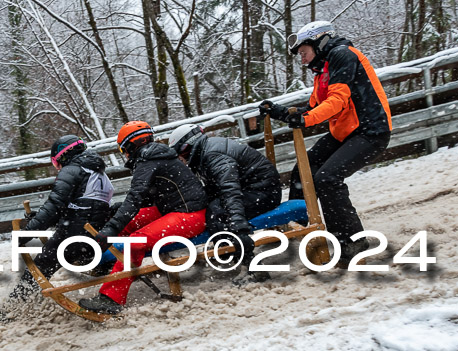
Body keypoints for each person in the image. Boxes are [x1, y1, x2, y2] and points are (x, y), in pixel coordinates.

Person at [260, 20, 392, 265]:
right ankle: (300, 224)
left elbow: (337, 101)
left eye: (303, 52)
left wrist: (305, 119)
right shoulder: (323, 69)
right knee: (303, 169)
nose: (302, 58)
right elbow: (314, 106)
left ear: (319, 42)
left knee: (327, 179)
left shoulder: (342, 56)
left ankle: (353, 242)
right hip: (346, 131)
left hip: (370, 131)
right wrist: (280, 112)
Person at [78, 121, 208, 314]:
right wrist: (116, 214)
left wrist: (110, 229)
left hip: (190, 215)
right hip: (172, 209)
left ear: (129, 147)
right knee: (128, 223)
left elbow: (136, 196)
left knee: (134, 242)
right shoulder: (153, 157)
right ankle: (106, 263)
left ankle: (111, 299)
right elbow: (145, 197)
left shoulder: (148, 160)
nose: (126, 155)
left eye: (124, 151)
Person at [0, 135, 114, 323]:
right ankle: (16, 308)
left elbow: (55, 206)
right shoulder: (98, 172)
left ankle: (7, 314)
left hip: (74, 238)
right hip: (92, 238)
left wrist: (27, 233)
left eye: (56, 163)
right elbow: (82, 207)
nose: (58, 167)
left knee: (37, 270)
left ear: (63, 156)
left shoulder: (72, 169)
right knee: (43, 265)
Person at [168, 124, 282, 274]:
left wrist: (239, 226)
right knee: (211, 207)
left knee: (217, 214)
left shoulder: (212, 155)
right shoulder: (206, 151)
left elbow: (230, 190)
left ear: (186, 148)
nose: (179, 160)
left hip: (265, 193)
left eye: (178, 155)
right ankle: (227, 250)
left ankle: (252, 265)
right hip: (253, 188)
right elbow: (217, 188)